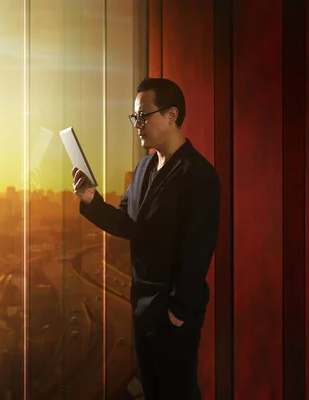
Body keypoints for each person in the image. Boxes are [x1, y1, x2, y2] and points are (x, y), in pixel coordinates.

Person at [72, 77, 220, 399]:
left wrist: (178, 310)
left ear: (171, 115)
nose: (137, 124)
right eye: (134, 117)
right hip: (143, 306)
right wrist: (91, 201)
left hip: (172, 312)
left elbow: (198, 248)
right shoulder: (143, 169)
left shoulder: (199, 175)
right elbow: (127, 224)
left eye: (143, 115)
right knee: (153, 390)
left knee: (177, 392)